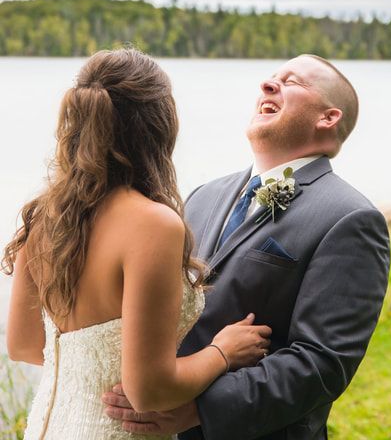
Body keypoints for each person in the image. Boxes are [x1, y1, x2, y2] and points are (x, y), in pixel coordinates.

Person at [103, 54, 391, 440]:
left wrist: (197, 412)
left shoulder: (350, 218)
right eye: (271, 78)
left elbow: (322, 363)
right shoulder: (204, 195)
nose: (268, 86)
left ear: (328, 118)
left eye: (292, 82)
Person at [3, 48, 271, 440]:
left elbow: (24, 346)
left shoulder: (45, 215)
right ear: (158, 126)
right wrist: (223, 353)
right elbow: (149, 392)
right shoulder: (153, 224)